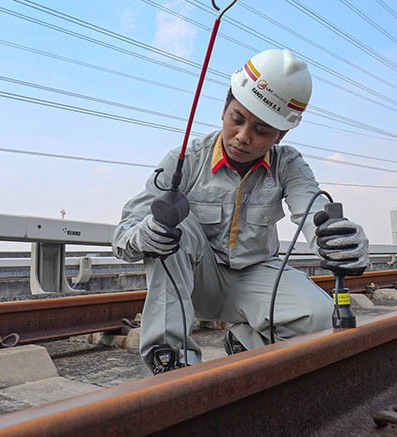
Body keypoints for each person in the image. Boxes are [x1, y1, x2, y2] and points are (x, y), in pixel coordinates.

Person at [112, 49, 369, 373]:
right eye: (237, 119)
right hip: (193, 283)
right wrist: (146, 235)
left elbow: (313, 215)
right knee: (170, 224)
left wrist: (341, 241)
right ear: (224, 109)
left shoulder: (288, 164)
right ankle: (170, 359)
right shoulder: (185, 160)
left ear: (281, 134)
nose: (244, 136)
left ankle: (246, 342)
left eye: (262, 130)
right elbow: (122, 235)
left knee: (321, 318)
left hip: (255, 281)